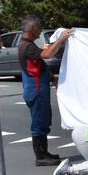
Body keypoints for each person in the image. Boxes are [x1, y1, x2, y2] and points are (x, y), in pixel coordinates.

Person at [19, 16, 72, 165]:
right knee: (39, 123)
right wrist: (60, 39)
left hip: (37, 88)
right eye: (39, 27)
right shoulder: (26, 46)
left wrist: (51, 77)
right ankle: (40, 157)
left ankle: (44, 153)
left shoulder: (28, 44)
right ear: (32, 29)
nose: (40, 30)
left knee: (44, 121)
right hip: (35, 90)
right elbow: (47, 55)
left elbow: (39, 63)